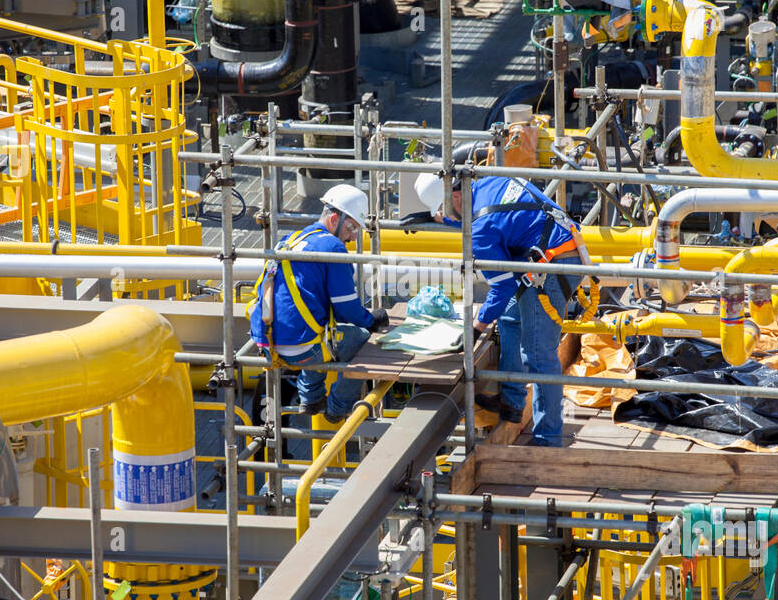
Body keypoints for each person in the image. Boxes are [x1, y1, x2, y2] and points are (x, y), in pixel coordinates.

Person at [413, 171, 585, 446]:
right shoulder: (489, 184)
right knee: (508, 318)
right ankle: (512, 401)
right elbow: (491, 218)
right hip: (555, 251)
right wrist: (442, 220)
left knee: (539, 356)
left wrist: (474, 328)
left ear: (455, 196)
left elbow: (501, 287)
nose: (449, 213)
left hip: (552, 269)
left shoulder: (480, 230)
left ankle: (547, 439)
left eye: (446, 208)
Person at [250, 184, 390, 423]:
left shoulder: (290, 239)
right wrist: (371, 320)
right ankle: (337, 407)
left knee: (317, 326)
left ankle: (311, 398)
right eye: (352, 227)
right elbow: (346, 308)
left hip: (266, 341)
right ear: (335, 218)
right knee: (359, 339)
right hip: (302, 348)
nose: (353, 236)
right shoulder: (332, 248)